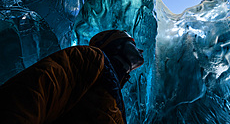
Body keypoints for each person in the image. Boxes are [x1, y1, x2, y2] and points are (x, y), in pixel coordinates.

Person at [0, 30, 144, 124]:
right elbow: (33, 91)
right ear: (116, 45)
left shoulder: (116, 97)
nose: (141, 50)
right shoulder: (90, 58)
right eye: (133, 44)